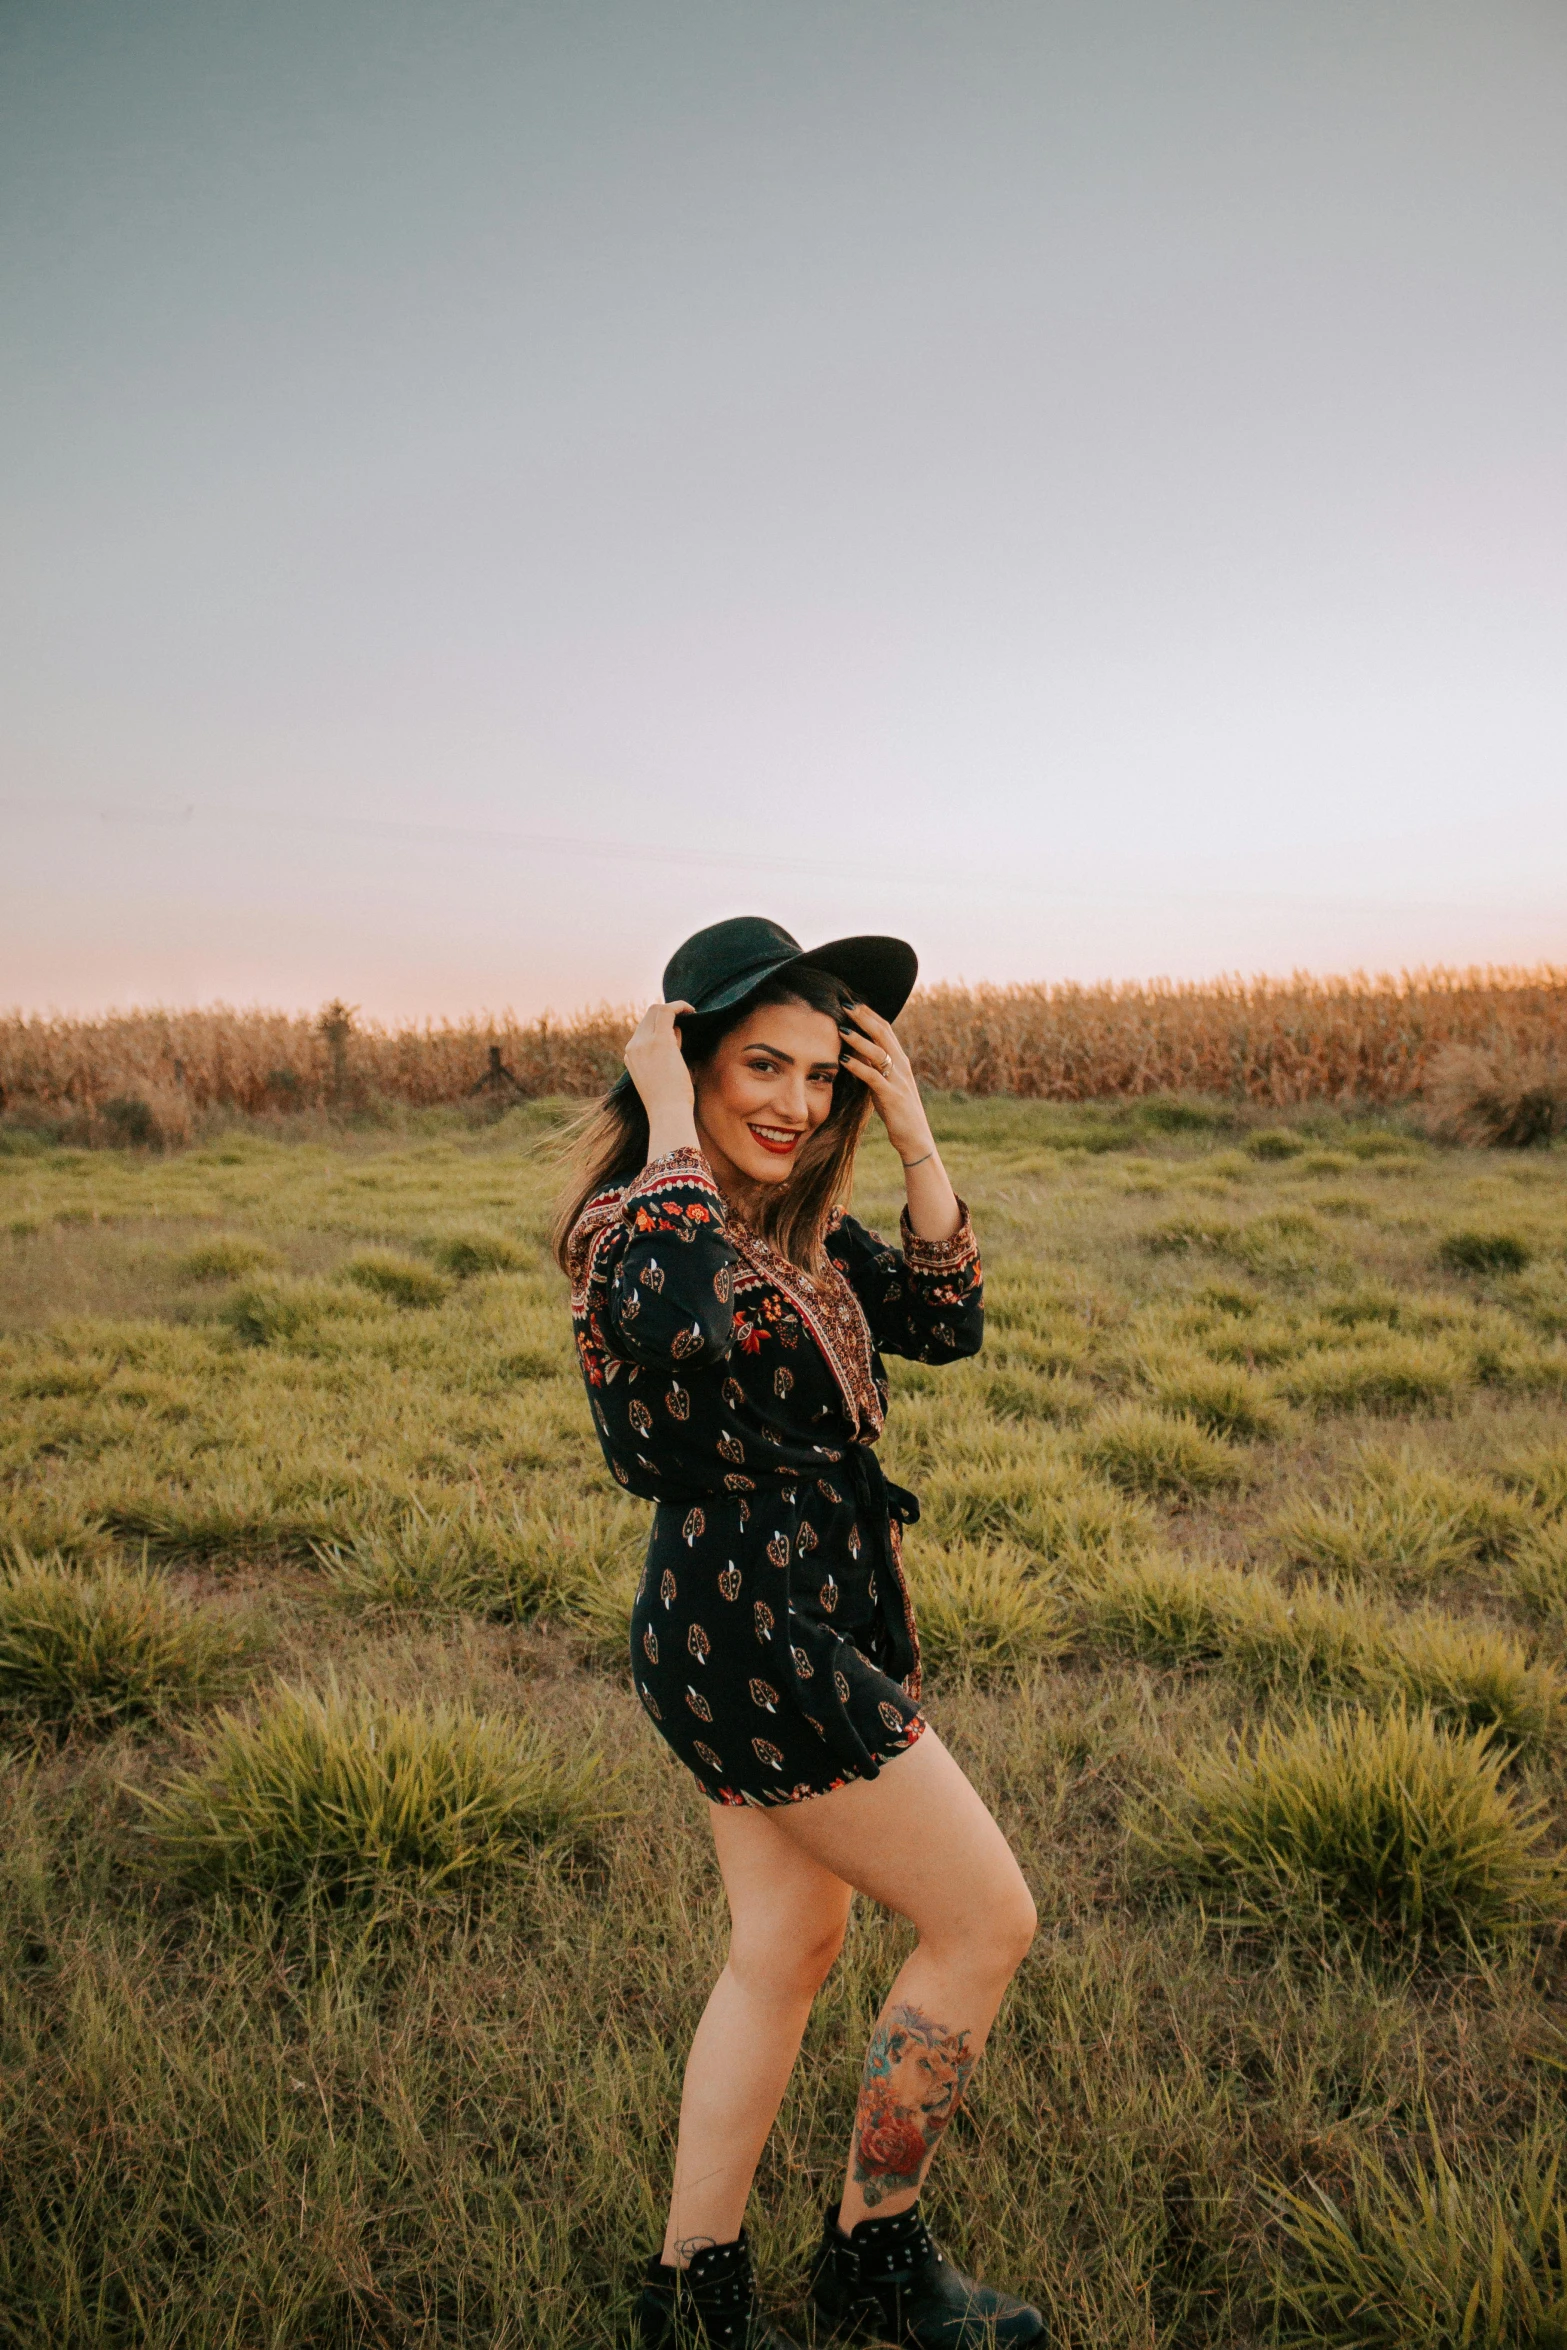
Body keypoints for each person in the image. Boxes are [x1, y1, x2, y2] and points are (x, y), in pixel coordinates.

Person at [555, 917, 1042, 2350]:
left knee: (784, 1943)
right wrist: (659, 1122)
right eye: (758, 1063)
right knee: (982, 1918)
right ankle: (872, 2254)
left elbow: (945, 1319)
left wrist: (915, 1137)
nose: (792, 1101)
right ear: (686, 1056)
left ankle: (691, 2287)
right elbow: (673, 1311)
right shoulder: (635, 1225)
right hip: (756, 1639)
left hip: (788, 1622)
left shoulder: (799, 1234)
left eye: (821, 1074)